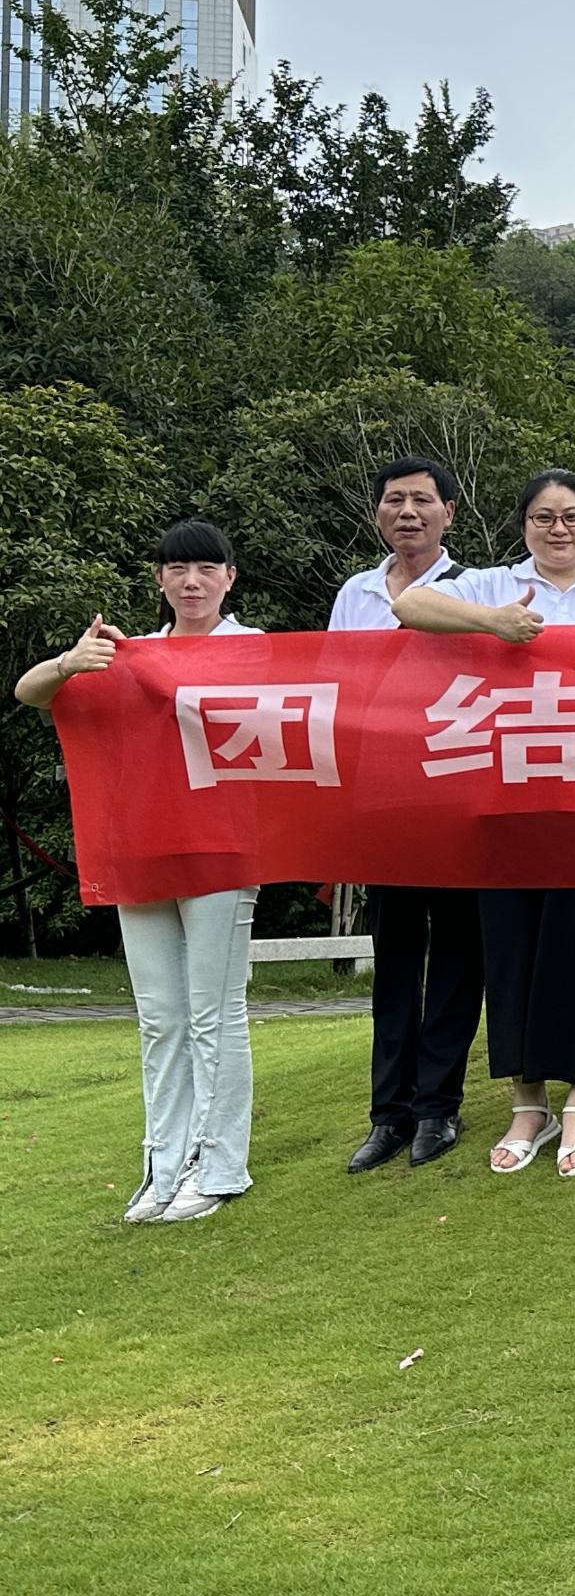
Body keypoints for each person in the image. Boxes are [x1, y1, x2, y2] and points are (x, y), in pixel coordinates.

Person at [393, 470, 575, 1178]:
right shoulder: (490, 584)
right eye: (543, 517)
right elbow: (409, 604)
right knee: (509, 946)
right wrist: (492, 622)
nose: (558, 529)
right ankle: (527, 1101)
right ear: (523, 526)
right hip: (504, 792)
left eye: (571, 516)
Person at [17, 521, 261, 1224]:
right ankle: (164, 1165)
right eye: (178, 569)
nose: (192, 581)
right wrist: (72, 661)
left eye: (206, 569)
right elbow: (30, 691)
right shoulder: (128, 653)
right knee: (160, 1018)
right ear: (159, 579)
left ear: (229, 578)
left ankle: (219, 1167)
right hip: (142, 845)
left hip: (219, 849)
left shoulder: (251, 648)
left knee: (215, 1014)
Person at [325, 458, 481, 1173]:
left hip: (454, 788)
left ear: (449, 511)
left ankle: (437, 1107)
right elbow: (333, 687)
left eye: (423, 499)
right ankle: (388, 1113)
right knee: (394, 956)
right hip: (381, 796)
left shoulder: (474, 587)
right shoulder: (354, 592)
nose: (408, 512)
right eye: (395, 500)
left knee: (455, 953)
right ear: (378, 513)